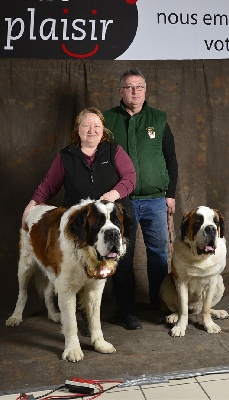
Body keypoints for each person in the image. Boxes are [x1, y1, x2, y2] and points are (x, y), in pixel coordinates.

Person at [21, 108, 137, 331]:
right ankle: (85, 316)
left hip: (113, 218)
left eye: (96, 126)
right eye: (86, 125)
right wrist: (31, 205)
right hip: (82, 224)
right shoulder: (66, 155)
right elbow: (49, 185)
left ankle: (127, 312)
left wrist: (112, 195)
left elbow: (130, 178)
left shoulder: (114, 150)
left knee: (121, 267)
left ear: (103, 130)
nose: (91, 130)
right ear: (78, 130)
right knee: (79, 268)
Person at [103, 68, 178, 330]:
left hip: (156, 199)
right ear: (120, 91)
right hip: (122, 201)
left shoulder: (158, 119)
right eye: (129, 87)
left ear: (145, 90)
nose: (134, 92)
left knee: (158, 253)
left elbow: (170, 158)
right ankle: (126, 310)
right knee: (121, 255)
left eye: (139, 87)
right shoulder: (107, 120)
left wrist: (171, 195)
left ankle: (161, 304)